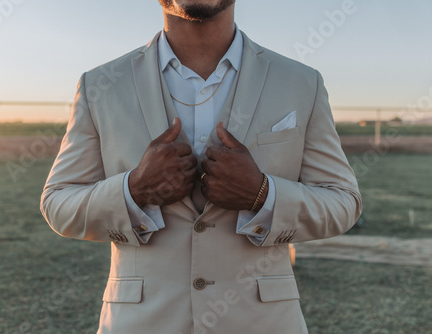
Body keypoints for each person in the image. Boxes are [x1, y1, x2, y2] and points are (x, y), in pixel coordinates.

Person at [40, 1, 362, 333]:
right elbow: (58, 203)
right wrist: (133, 190)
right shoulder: (100, 86)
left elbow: (342, 201)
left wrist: (262, 195)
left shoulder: (301, 82)